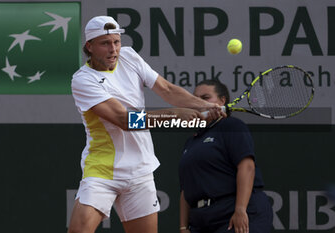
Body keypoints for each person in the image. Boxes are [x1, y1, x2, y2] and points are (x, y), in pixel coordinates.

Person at [68, 16, 223, 233]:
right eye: (105, 43)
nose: (113, 49)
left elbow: (167, 90)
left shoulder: (129, 57)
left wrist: (203, 106)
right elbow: (125, 120)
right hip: (102, 171)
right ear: (89, 46)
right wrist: (175, 116)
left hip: (140, 170)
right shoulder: (83, 80)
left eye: (117, 42)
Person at [179, 80, 273, 233]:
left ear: (222, 101)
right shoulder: (191, 141)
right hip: (201, 221)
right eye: (195, 99)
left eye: (205, 97)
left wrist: (240, 210)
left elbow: (247, 166)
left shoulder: (231, 126)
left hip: (233, 213)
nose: (199, 102)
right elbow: (185, 190)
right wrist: (183, 227)